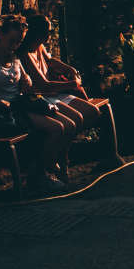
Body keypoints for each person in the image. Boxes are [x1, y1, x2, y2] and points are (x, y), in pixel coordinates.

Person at [0, 17, 70, 193]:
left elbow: (26, 81)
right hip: (4, 112)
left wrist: (27, 81)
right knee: (55, 129)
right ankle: (39, 176)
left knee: (60, 125)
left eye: (18, 42)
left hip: (20, 105)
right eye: (11, 41)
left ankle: (42, 171)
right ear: (1, 35)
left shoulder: (14, 57)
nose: (14, 45)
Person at [20, 15, 119, 163]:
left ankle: (63, 150)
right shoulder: (25, 54)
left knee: (93, 112)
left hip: (55, 94)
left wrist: (70, 69)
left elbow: (51, 61)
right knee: (75, 120)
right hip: (43, 98)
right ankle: (59, 159)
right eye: (47, 31)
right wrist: (72, 84)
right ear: (37, 33)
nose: (49, 35)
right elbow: (43, 84)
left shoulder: (39, 47)